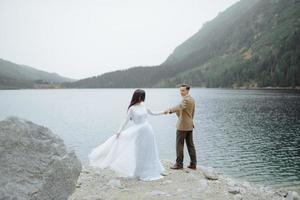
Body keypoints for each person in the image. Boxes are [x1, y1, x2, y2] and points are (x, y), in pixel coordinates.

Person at [88, 89, 166, 181]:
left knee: (150, 151)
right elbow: (125, 120)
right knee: (140, 152)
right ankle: (139, 172)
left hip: (148, 131)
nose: (142, 99)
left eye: (143, 97)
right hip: (139, 133)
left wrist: (163, 112)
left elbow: (153, 113)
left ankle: (154, 169)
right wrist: (119, 131)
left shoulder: (143, 106)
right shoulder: (132, 108)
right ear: (137, 97)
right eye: (141, 97)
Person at [165, 84, 197, 170]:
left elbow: (180, 107)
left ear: (187, 91)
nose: (181, 92)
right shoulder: (192, 99)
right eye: (180, 90)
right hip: (189, 125)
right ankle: (193, 164)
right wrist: (190, 121)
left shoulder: (185, 100)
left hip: (182, 126)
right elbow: (192, 112)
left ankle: (179, 164)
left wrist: (170, 110)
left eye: (183, 90)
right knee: (190, 145)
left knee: (179, 145)